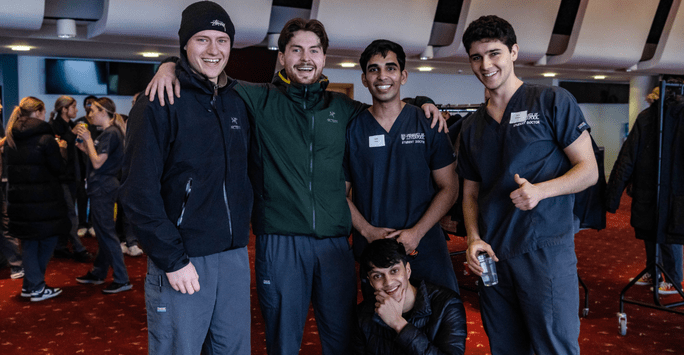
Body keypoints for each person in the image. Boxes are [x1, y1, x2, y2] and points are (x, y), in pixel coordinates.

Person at [146, 17, 446, 355]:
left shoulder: (343, 107)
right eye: (296, 50)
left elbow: (388, 104)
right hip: (280, 243)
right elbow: (208, 73)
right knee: (284, 340)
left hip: (334, 246)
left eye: (314, 50)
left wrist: (422, 100)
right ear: (282, 57)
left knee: (343, 338)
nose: (306, 58)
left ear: (323, 57)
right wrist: (169, 64)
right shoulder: (257, 98)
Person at [457, 16, 598, 354]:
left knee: (554, 346)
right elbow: (470, 193)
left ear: (514, 52)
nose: (486, 65)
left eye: (494, 54)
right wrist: (473, 237)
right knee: (504, 346)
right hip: (494, 256)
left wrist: (541, 190)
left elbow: (589, 170)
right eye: (476, 57)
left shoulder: (551, 102)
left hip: (544, 250)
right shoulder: (472, 126)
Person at [120, 2, 252, 353]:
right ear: (184, 45)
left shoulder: (236, 101)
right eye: (202, 39)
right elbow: (137, 191)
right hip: (183, 257)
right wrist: (173, 260)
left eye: (222, 40)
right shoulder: (158, 101)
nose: (213, 50)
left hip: (234, 255)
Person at [345, 39, 459, 300]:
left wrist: (417, 234)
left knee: (440, 323)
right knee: (383, 329)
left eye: (390, 68)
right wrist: (367, 231)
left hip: (426, 247)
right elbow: (339, 193)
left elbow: (449, 187)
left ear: (403, 75)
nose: (382, 76)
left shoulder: (428, 122)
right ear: (364, 79)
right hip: (376, 254)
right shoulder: (352, 129)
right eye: (374, 69)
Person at [606, 84, 684, 295]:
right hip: (661, 189)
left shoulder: (648, 117)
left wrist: (612, 197)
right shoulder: (648, 118)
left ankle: (674, 279)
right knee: (660, 231)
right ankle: (655, 272)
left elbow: (627, 159)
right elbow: (629, 157)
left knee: (665, 233)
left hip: (656, 189)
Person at [4, 97, 69, 301]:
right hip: (44, 199)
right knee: (48, 239)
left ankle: (30, 285)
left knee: (30, 243)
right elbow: (58, 169)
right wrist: (63, 149)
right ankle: (37, 286)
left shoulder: (10, 138)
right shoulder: (45, 139)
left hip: (19, 199)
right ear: (39, 111)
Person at [353, 238, 466, 355]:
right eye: (377, 276)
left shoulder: (448, 305)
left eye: (394, 271)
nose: (388, 282)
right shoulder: (362, 314)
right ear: (370, 282)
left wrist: (398, 324)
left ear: (407, 270)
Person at [74, 98, 131, 294]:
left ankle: (122, 279)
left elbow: (98, 163)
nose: (89, 115)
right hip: (101, 186)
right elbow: (97, 159)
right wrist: (85, 146)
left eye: (93, 111)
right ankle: (99, 272)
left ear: (104, 112)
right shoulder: (107, 133)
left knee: (105, 233)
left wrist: (89, 140)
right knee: (103, 232)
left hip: (104, 187)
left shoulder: (111, 133)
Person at [49, 96, 93, 262]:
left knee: (67, 213)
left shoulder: (71, 125)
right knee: (70, 214)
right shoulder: (54, 126)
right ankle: (78, 249)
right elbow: (57, 150)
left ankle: (60, 247)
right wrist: (70, 134)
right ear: (64, 109)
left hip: (73, 176)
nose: (76, 110)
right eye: (73, 107)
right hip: (61, 178)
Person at [74, 95, 98, 238]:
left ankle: (93, 224)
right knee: (81, 196)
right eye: (87, 104)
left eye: (92, 104)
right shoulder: (79, 123)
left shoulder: (99, 124)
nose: (90, 106)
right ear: (84, 106)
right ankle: (82, 224)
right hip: (82, 165)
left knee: (95, 197)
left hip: (97, 165)